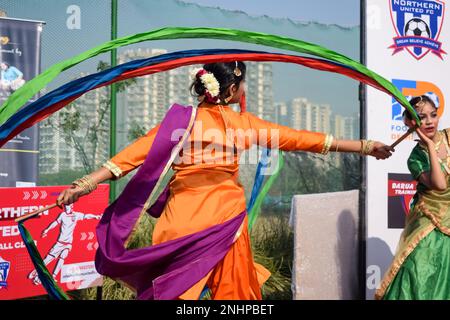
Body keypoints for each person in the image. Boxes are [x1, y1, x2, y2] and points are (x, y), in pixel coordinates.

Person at [56, 61, 393, 300]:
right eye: (242, 86)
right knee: (235, 293)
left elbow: (129, 158)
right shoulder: (243, 125)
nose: (243, 91)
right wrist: (365, 147)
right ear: (231, 89)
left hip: (179, 223)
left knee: (174, 291)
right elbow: (303, 138)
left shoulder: (180, 123)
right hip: (223, 219)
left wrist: (85, 183)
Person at [376, 95, 450, 300]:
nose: (429, 121)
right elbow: (440, 184)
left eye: (433, 115)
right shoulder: (416, 157)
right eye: (421, 117)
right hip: (429, 223)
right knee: (418, 274)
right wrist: (428, 145)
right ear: (410, 123)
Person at [27, 203, 101, 284]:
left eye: (68, 206)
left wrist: (95, 216)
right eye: (65, 206)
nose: (66, 208)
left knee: (63, 257)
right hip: (60, 242)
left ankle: (53, 276)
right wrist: (47, 230)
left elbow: (86, 216)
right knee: (48, 259)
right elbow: (55, 223)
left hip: (68, 243)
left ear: (72, 206)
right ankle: (36, 272)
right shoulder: (62, 215)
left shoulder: (76, 215)